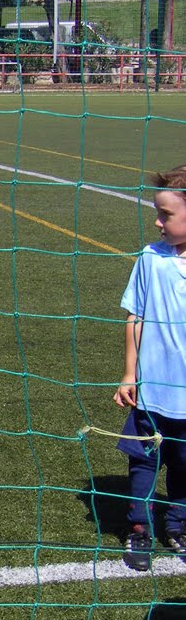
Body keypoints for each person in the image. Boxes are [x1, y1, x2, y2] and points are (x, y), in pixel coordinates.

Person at [113, 164, 186, 571]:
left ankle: (178, 525)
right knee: (143, 461)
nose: (157, 221)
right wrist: (129, 374)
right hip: (152, 390)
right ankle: (139, 529)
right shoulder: (150, 258)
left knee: (183, 465)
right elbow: (134, 316)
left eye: (166, 214)